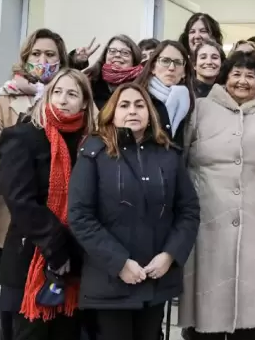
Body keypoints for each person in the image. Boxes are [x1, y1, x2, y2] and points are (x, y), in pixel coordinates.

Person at [179, 51, 255, 339]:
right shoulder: (200, 108)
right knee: (205, 300)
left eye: (250, 76)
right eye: (236, 74)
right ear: (224, 77)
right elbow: (181, 154)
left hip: (253, 216)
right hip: (205, 215)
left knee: (249, 301)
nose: (242, 81)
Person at [69, 84, 200, 340]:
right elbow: (80, 216)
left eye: (139, 105)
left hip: (154, 278)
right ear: (112, 113)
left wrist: (170, 255)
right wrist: (119, 262)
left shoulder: (168, 154)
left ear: (150, 113)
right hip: (110, 282)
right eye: (125, 105)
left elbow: (189, 210)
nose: (133, 111)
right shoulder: (94, 153)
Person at [0, 28, 73, 340]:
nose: (42, 60)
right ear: (24, 58)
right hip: (11, 217)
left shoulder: (72, 102)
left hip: (57, 221)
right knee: (17, 306)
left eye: (50, 55)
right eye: (36, 54)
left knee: (55, 305)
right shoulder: (2, 99)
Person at [0, 69, 97, 340]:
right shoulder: (23, 136)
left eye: (72, 94)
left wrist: (72, 251)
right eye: (57, 92)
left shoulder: (93, 143)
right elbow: (19, 200)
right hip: (30, 255)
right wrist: (56, 247)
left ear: (85, 102)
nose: (63, 100)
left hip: (78, 263)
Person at [138, 40, 192, 143]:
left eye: (177, 62)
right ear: (153, 67)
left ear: (184, 72)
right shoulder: (138, 96)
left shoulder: (190, 102)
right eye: (165, 61)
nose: (171, 68)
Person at [85, 35, 144, 110]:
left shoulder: (143, 83)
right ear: (105, 55)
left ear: (134, 59)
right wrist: (77, 62)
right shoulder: (90, 80)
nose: (117, 55)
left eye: (125, 53)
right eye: (112, 51)